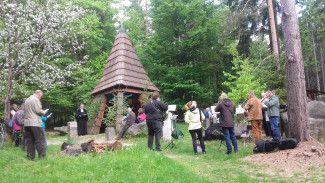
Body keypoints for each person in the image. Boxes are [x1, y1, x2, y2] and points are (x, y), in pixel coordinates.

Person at [24, 90, 48, 160]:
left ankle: (30, 157)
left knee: (30, 141)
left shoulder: (27, 100)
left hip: (27, 123)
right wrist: (44, 112)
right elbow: (38, 111)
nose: (40, 98)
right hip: (35, 123)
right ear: (38, 95)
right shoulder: (35, 100)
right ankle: (42, 157)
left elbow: (23, 113)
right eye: (40, 96)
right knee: (40, 140)